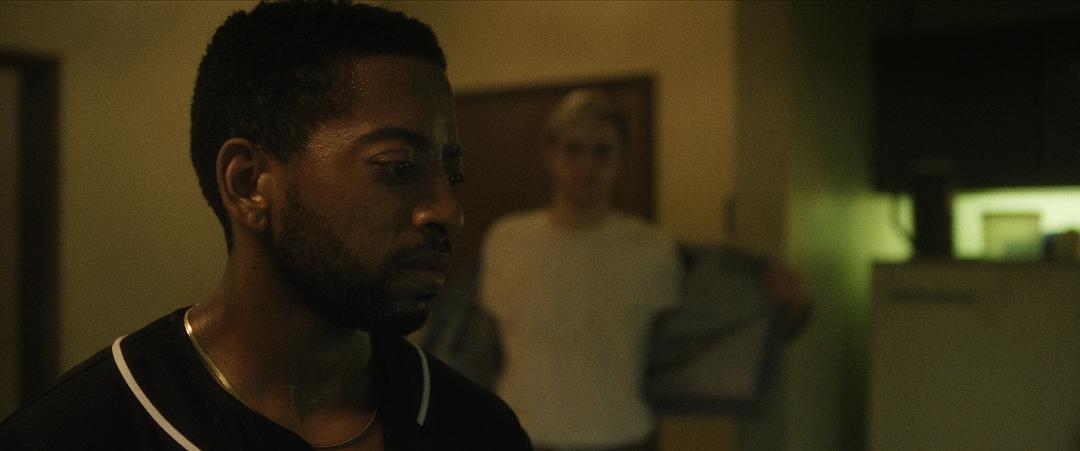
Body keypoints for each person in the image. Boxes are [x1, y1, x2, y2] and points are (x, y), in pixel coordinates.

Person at [0, 2, 531, 450]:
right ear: (249, 183)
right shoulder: (76, 433)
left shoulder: (477, 428)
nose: (447, 210)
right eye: (397, 166)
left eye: (453, 174)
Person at [480, 90, 679, 451]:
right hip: (522, 434)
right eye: (573, 149)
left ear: (621, 159)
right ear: (550, 153)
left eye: (602, 151)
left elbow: (676, 347)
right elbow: (488, 345)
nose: (586, 165)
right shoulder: (506, 239)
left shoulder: (652, 247)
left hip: (621, 436)